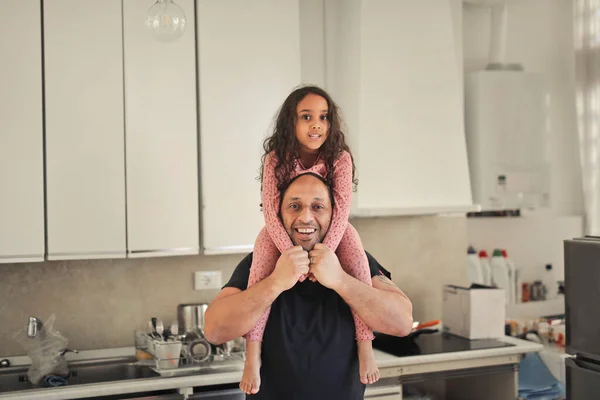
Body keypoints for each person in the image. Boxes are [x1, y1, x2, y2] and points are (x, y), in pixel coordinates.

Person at [203, 172, 414, 399]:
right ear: (278, 213)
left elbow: (402, 323)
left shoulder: (355, 260)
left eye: (318, 207)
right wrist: (275, 282)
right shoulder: (259, 264)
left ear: (335, 213)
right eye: (294, 206)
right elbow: (214, 331)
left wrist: (341, 279)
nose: (306, 217)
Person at [242, 85, 378, 394]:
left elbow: (341, 210)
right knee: (258, 274)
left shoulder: (340, 158)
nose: (316, 124)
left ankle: (365, 346)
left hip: (333, 233)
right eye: (306, 117)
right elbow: (271, 212)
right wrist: (292, 256)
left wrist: (323, 256)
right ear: (291, 121)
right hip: (281, 234)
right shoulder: (276, 159)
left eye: (323, 117)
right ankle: (252, 355)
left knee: (358, 264)